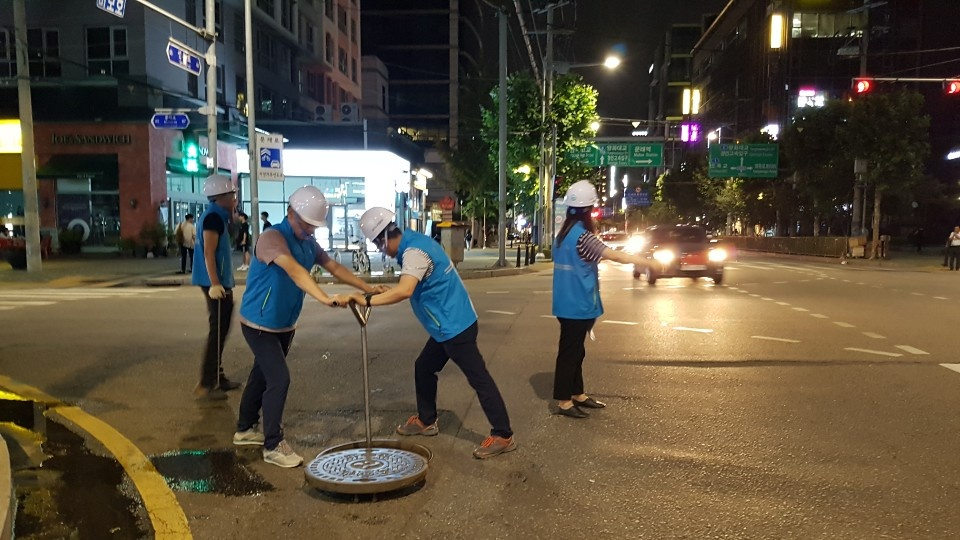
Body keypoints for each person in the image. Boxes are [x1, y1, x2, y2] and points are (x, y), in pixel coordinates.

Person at [233, 186, 385, 468]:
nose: (309, 231)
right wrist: (325, 298)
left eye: (313, 226)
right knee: (279, 378)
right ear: (290, 213)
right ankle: (272, 444)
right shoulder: (272, 238)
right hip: (259, 322)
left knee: (262, 375)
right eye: (305, 224)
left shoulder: (308, 243)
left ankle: (244, 429)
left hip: (283, 323)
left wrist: (366, 287)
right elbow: (294, 270)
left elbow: (334, 267)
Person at [349, 207, 516, 459]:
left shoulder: (414, 253)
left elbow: (405, 290)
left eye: (378, 245)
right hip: (448, 324)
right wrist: (382, 291)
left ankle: (503, 434)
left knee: (479, 378)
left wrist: (369, 302)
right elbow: (410, 283)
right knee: (424, 367)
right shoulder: (416, 242)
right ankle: (426, 420)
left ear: (384, 238)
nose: (381, 251)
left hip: (454, 326)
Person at [551, 180, 649, 419]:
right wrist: (648, 262)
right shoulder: (583, 237)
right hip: (577, 305)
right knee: (570, 353)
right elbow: (613, 255)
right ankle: (564, 401)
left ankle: (578, 393)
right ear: (588, 211)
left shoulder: (563, 235)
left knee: (576, 351)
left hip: (566, 303)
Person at [191, 174, 242, 400]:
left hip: (219, 282)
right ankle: (205, 384)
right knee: (218, 332)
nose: (235, 198)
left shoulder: (218, 216)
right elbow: (208, 252)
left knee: (220, 331)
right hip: (215, 283)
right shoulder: (212, 218)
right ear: (222, 196)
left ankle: (217, 377)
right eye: (232, 195)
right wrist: (214, 283)